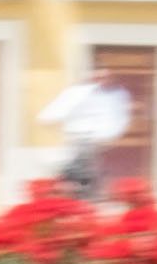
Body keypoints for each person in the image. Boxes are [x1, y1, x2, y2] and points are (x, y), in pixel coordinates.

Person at [38, 64, 139, 201]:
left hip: (101, 144)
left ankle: (87, 196)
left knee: (87, 178)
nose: (103, 80)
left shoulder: (117, 95)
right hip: (80, 141)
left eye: (106, 76)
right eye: (99, 76)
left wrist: (105, 137)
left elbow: (119, 120)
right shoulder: (77, 93)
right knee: (76, 175)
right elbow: (51, 115)